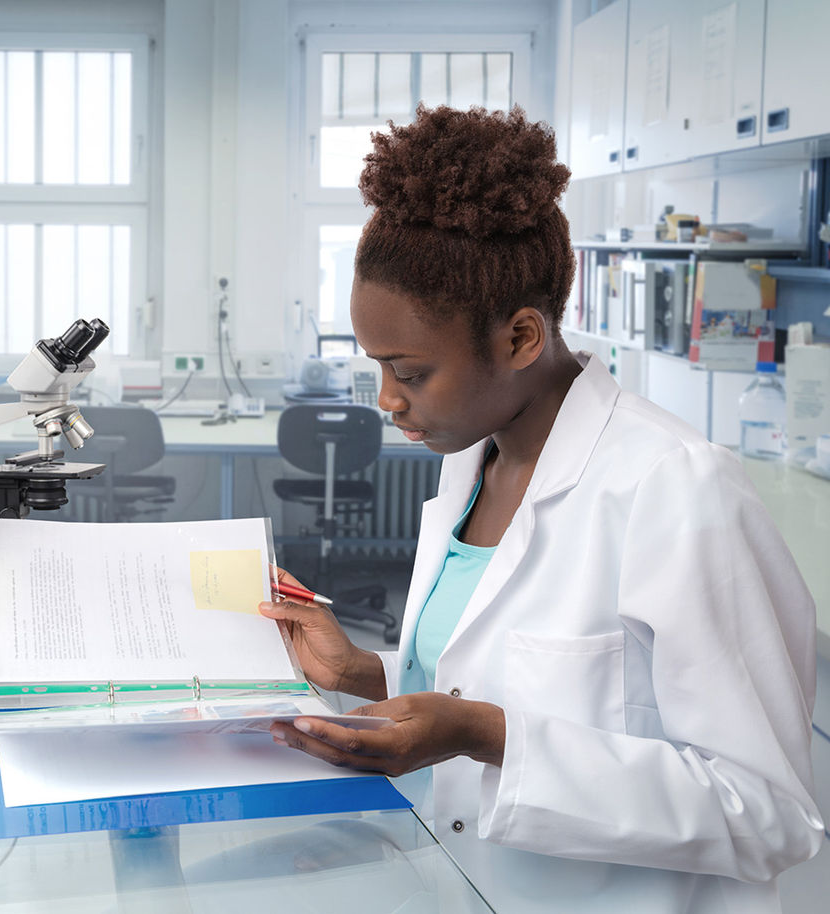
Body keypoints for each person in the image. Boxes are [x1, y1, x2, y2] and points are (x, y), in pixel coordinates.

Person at [261, 105, 823, 913]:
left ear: (521, 338)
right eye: (375, 366)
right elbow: (502, 682)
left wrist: (483, 736)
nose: (386, 399)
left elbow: (770, 815)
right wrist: (365, 674)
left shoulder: (675, 488)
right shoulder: (469, 463)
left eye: (410, 372)